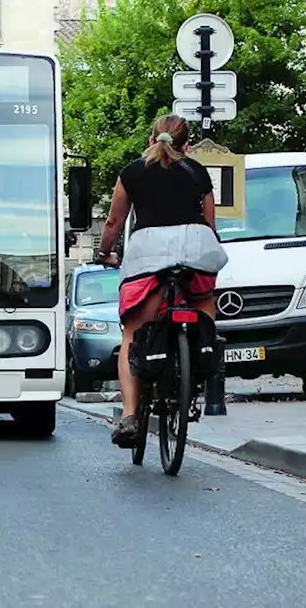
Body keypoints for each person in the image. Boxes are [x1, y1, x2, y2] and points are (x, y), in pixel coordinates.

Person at [93, 114, 228, 448]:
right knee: (203, 299)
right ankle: (197, 358)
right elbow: (210, 223)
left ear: (152, 140)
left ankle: (128, 414)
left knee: (132, 333)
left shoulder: (133, 171)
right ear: (187, 145)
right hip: (195, 249)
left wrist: (104, 252)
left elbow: (114, 220)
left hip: (148, 255)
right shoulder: (197, 171)